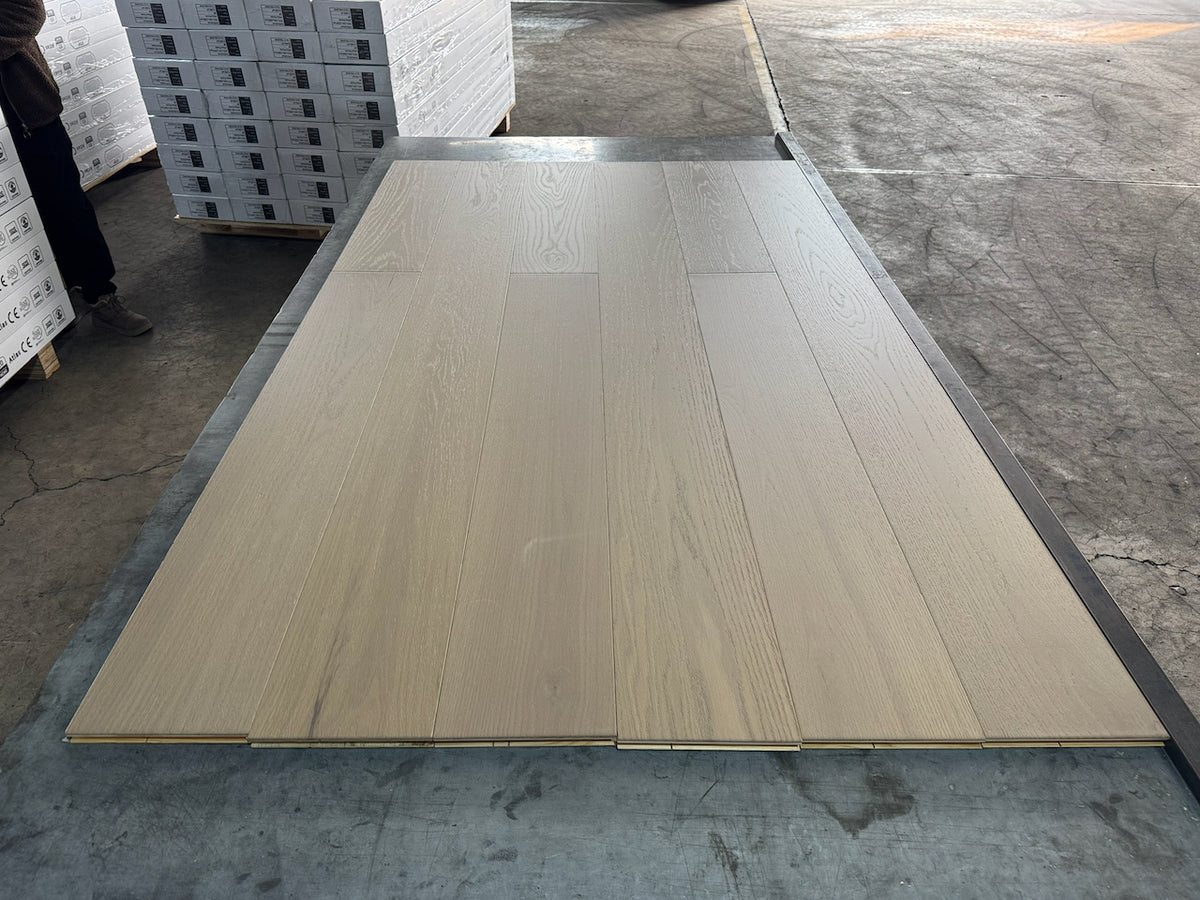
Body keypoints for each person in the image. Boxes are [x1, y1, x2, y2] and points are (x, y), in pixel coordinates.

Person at [0, 0, 152, 336]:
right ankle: (47, 307)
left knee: (66, 206)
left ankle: (100, 294)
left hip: (28, 114)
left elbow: (27, 12)